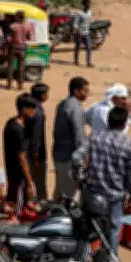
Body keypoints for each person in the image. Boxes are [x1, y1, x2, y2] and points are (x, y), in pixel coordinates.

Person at [72, 107, 131, 253]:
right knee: (114, 229)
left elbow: (76, 157)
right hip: (115, 196)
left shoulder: (95, 136)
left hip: (92, 193)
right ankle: (110, 261)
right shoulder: (129, 144)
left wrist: (80, 177)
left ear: (108, 121)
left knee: (87, 225)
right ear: (123, 124)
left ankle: (81, 257)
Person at [52, 77, 89, 205]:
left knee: (59, 189)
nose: (86, 94)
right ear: (76, 91)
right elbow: (79, 136)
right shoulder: (76, 109)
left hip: (58, 152)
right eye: (85, 91)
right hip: (69, 156)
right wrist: (84, 157)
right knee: (69, 194)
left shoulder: (62, 104)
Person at [3, 94, 39, 214]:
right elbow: (22, 157)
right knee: (17, 210)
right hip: (18, 176)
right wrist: (29, 182)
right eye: (32, 108)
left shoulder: (11, 123)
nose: (34, 111)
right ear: (24, 109)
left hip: (13, 173)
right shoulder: (18, 130)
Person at [28, 83, 49, 200]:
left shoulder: (32, 107)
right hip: (37, 153)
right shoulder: (38, 112)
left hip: (32, 150)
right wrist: (36, 152)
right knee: (40, 180)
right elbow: (37, 134)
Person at [6, 10, 35, 90]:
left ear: (16, 17)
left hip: (13, 47)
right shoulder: (28, 26)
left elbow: (9, 38)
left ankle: (9, 85)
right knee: (21, 67)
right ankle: (20, 85)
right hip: (22, 48)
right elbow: (29, 38)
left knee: (10, 66)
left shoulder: (12, 26)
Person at [73, 0, 93, 67]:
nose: (89, 5)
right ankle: (76, 60)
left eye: (89, 4)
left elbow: (89, 22)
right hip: (79, 33)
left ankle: (88, 62)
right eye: (88, 4)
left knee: (88, 47)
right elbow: (75, 24)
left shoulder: (90, 12)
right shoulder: (79, 13)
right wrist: (78, 30)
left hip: (87, 32)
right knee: (78, 47)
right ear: (84, 5)